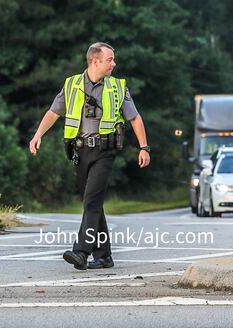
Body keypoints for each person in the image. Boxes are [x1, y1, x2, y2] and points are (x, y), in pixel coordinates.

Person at [28, 42, 150, 270]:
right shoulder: (72, 84)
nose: (114, 64)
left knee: (91, 201)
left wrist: (144, 148)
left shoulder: (117, 87)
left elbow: (135, 118)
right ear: (95, 61)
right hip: (80, 151)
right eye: (110, 59)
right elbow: (54, 112)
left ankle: (81, 252)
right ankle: (104, 256)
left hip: (105, 151)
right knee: (93, 204)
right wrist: (38, 135)